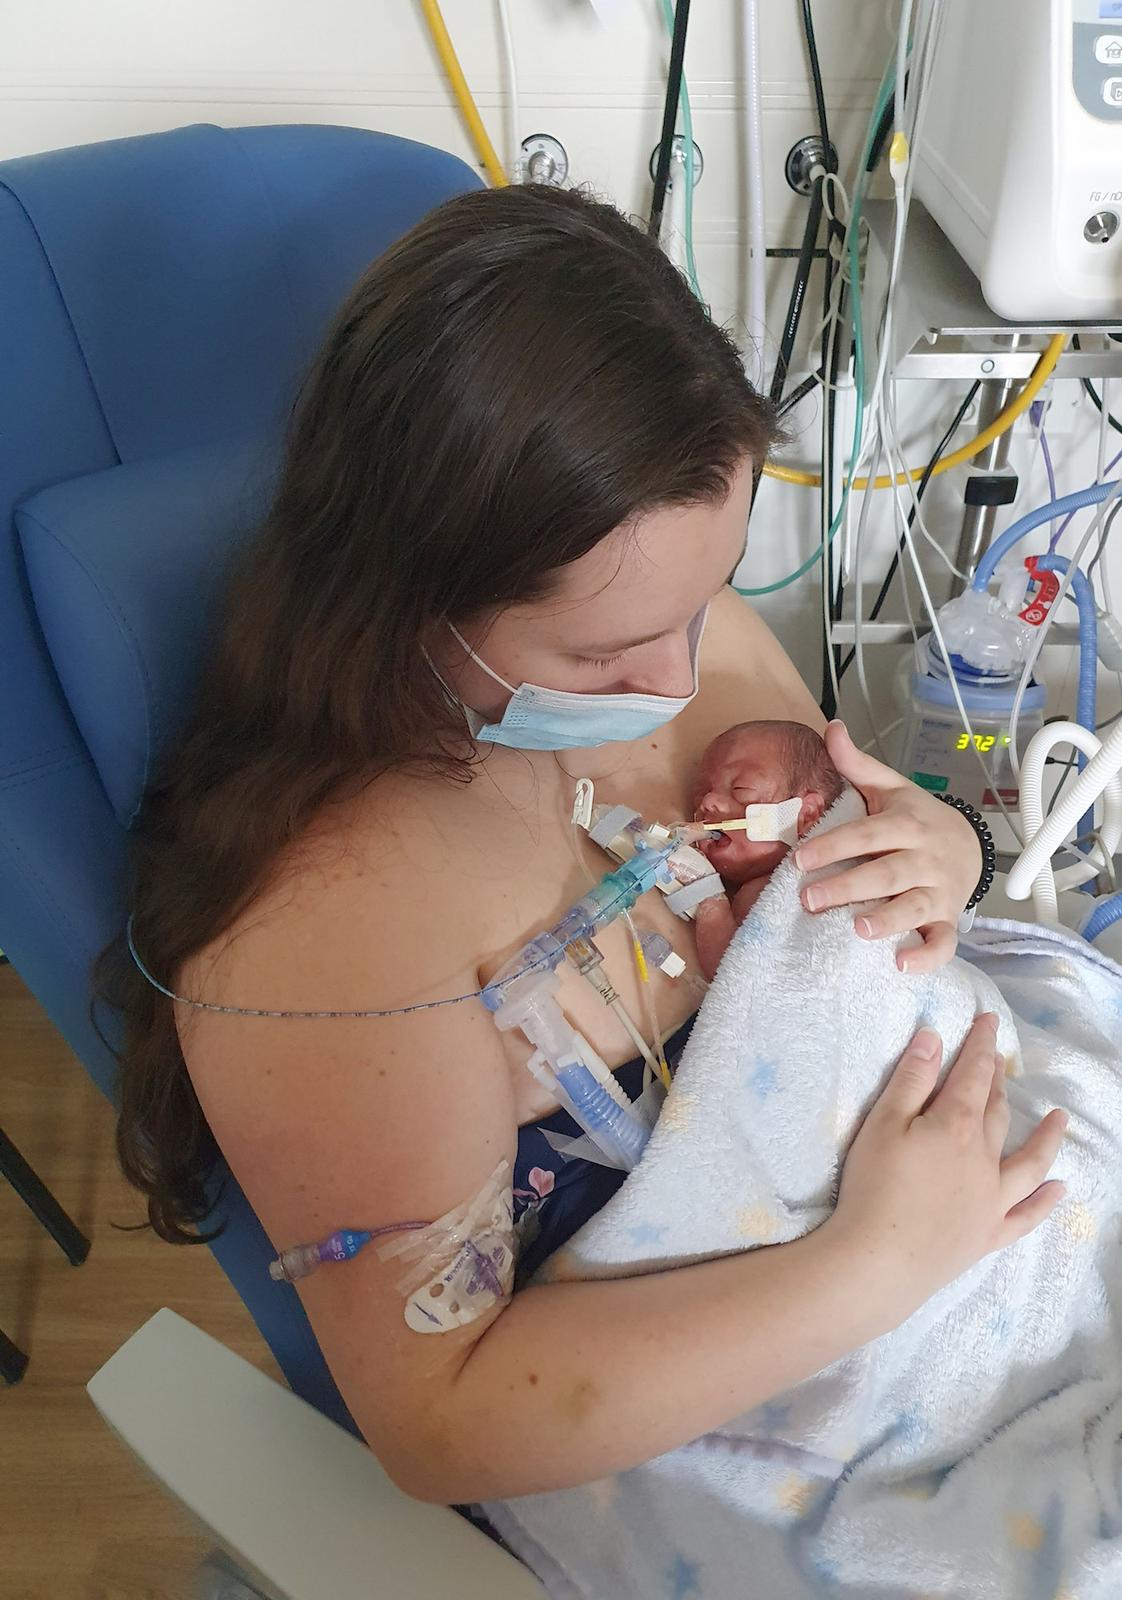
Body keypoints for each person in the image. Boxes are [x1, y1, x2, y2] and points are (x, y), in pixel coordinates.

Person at [98, 183, 1065, 1512]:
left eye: (708, 593)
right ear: (404, 601)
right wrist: (880, 1264)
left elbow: (884, 825)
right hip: (840, 1384)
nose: (680, 678)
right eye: (606, 653)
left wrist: (943, 847)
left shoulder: (673, 619)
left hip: (1020, 1177)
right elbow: (445, 1419)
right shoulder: (334, 927)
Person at [690, 718, 845, 980]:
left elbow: (733, 974)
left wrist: (708, 900)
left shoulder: (769, 890)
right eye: (701, 793)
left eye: (741, 790)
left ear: (805, 814)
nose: (708, 801)